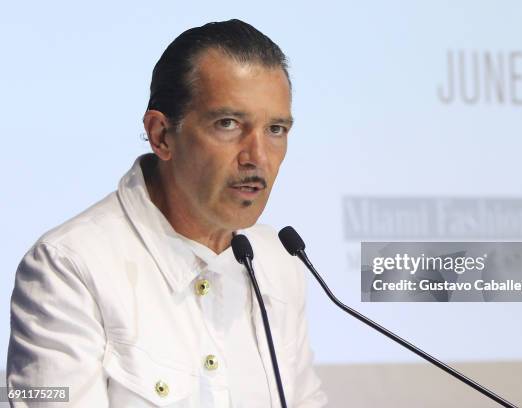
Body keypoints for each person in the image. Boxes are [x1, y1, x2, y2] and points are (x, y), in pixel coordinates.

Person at [6, 19, 328, 407]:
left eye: (276, 129)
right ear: (161, 135)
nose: (257, 157)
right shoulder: (65, 266)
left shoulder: (279, 262)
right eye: (228, 124)